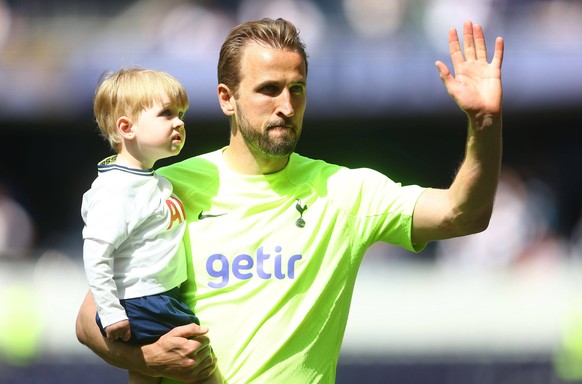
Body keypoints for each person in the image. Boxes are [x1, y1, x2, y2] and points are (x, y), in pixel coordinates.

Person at [76, 18, 504, 383]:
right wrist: (145, 359)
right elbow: (87, 321)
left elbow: (462, 215)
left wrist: (484, 123)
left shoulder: (345, 192)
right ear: (227, 98)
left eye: (297, 89)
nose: (286, 105)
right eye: (269, 89)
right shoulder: (165, 188)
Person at [80, 67, 222, 384]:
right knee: (202, 366)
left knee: (145, 375)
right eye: (166, 114)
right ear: (127, 127)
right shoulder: (117, 190)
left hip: (157, 296)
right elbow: (96, 253)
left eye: (181, 113)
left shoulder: (148, 181)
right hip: (146, 300)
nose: (179, 123)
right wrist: (112, 312)